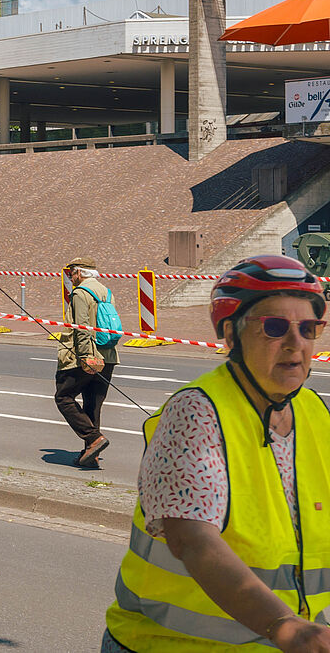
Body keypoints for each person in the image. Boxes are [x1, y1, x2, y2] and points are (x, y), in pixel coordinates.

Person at [103, 254, 330, 653]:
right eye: (275, 327)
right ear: (230, 335)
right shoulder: (196, 412)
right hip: (169, 644)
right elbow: (193, 540)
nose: (296, 343)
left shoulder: (314, 411)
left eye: (309, 328)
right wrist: (285, 626)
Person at [55, 257, 119, 468]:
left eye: (71, 273)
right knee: (93, 404)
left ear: (79, 273)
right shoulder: (106, 292)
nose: (70, 277)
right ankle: (92, 455)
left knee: (64, 397)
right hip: (108, 355)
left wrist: (85, 358)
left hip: (87, 356)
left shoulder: (80, 293)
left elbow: (82, 327)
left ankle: (93, 439)